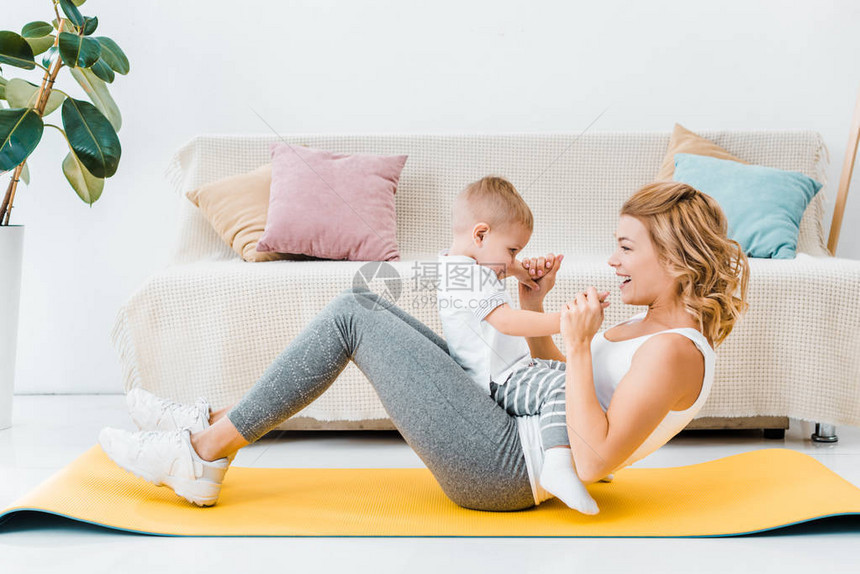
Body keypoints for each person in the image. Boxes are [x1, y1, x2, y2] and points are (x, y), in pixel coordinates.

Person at [98, 180, 749, 511]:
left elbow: (597, 454)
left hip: (503, 469)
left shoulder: (675, 351)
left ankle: (203, 454)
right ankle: (208, 427)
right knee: (365, 306)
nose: (612, 260)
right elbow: (561, 387)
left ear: (677, 258)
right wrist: (536, 308)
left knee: (353, 314)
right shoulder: (647, 333)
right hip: (508, 423)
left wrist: (578, 348)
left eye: (627, 247)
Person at [436, 176, 601, 514]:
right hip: (499, 381)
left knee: (574, 375)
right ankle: (557, 465)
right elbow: (506, 321)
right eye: (512, 250)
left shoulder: (460, 266)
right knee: (564, 386)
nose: (514, 259)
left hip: (513, 372)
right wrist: (566, 319)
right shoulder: (466, 275)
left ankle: (585, 453)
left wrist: (524, 275)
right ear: (480, 235)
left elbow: (498, 271)